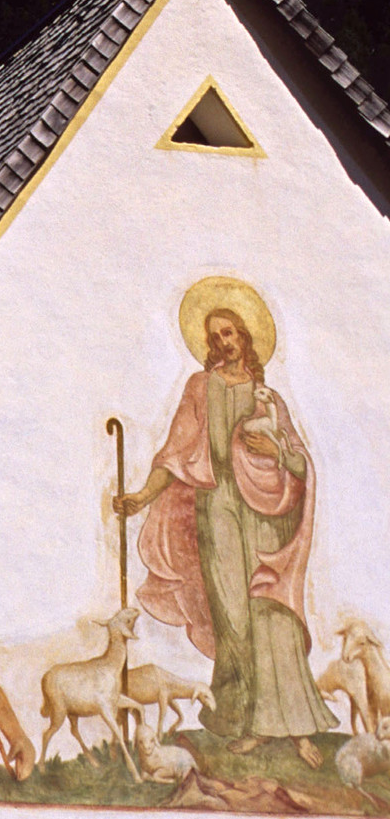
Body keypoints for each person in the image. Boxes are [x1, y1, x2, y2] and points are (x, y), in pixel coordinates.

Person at [114, 300, 330, 764]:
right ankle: (246, 722)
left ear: (245, 337)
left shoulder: (269, 399)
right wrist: (143, 496)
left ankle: (296, 728)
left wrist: (274, 448)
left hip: (267, 514)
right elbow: (175, 453)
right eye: (214, 337)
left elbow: (300, 462)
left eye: (229, 333)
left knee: (272, 614)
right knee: (232, 618)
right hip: (217, 510)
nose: (222, 342)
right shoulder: (199, 387)